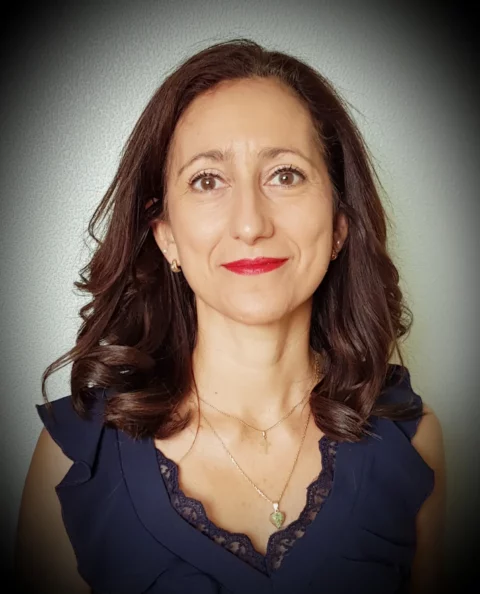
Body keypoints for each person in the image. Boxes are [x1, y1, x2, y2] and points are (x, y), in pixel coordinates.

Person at [15, 38, 446, 594]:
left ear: (340, 224)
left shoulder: (414, 442)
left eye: (285, 175)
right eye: (207, 180)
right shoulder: (73, 458)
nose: (250, 224)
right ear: (165, 235)